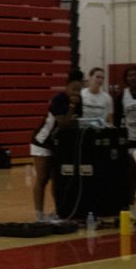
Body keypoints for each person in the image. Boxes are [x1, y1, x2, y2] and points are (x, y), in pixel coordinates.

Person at [29, 69, 84, 222]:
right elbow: (65, 123)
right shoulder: (59, 100)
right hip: (42, 142)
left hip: (59, 145)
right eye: (74, 89)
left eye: (79, 90)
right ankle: (39, 215)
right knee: (42, 178)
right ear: (67, 87)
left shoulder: (80, 102)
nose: (76, 93)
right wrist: (72, 106)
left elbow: (77, 123)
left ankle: (59, 211)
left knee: (58, 179)